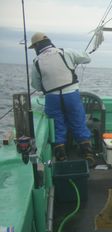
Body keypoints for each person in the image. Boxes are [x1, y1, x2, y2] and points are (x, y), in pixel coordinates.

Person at [29, 32, 95, 166]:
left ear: (36, 46)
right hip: (71, 94)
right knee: (78, 122)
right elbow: (87, 58)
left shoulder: (36, 61)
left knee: (57, 125)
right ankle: (87, 153)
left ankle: (61, 156)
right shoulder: (66, 52)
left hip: (52, 98)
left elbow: (35, 84)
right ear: (49, 41)